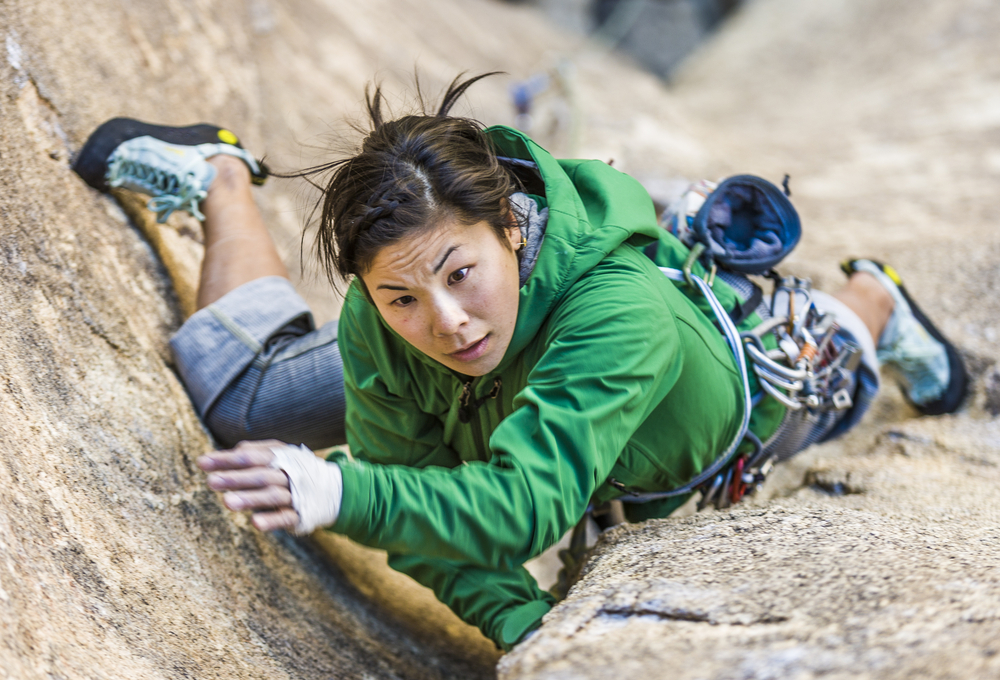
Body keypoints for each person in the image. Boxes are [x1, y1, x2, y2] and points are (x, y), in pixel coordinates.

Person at [72, 74, 967, 650]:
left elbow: (520, 510)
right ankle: (224, 173)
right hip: (489, 404)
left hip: (730, 392)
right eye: (402, 297)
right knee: (249, 402)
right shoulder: (392, 316)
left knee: (837, 389)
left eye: (463, 274)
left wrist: (337, 491)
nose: (450, 322)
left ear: (509, 227)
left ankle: (871, 299)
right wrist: (527, 625)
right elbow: (412, 503)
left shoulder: (618, 311)